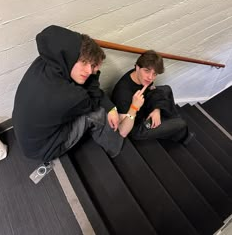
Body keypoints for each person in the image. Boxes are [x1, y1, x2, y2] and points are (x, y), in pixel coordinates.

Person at [12, 25, 123, 165]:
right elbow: (93, 100)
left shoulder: (46, 61)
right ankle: (116, 148)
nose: (89, 70)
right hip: (44, 148)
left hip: (26, 134)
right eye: (84, 62)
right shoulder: (70, 97)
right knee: (97, 114)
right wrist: (95, 76)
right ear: (70, 57)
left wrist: (111, 107)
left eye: (92, 65)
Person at [112, 50, 194, 144]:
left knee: (166, 89)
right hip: (136, 126)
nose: (150, 77)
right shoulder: (122, 94)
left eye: (154, 74)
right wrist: (134, 107)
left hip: (143, 107)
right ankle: (180, 135)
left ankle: (170, 123)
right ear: (137, 67)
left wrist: (156, 109)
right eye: (147, 71)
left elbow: (151, 92)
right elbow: (123, 131)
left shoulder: (141, 77)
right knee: (181, 123)